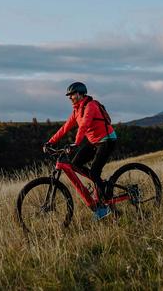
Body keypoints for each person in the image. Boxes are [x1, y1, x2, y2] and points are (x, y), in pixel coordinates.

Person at [44, 82, 117, 220]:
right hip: (94, 141)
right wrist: (51, 141)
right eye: (69, 95)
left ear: (79, 94)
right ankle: (100, 184)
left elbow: (84, 126)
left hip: (107, 140)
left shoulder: (91, 106)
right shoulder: (77, 110)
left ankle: (105, 204)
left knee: (94, 171)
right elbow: (65, 127)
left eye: (71, 94)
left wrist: (76, 143)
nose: (70, 97)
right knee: (75, 164)